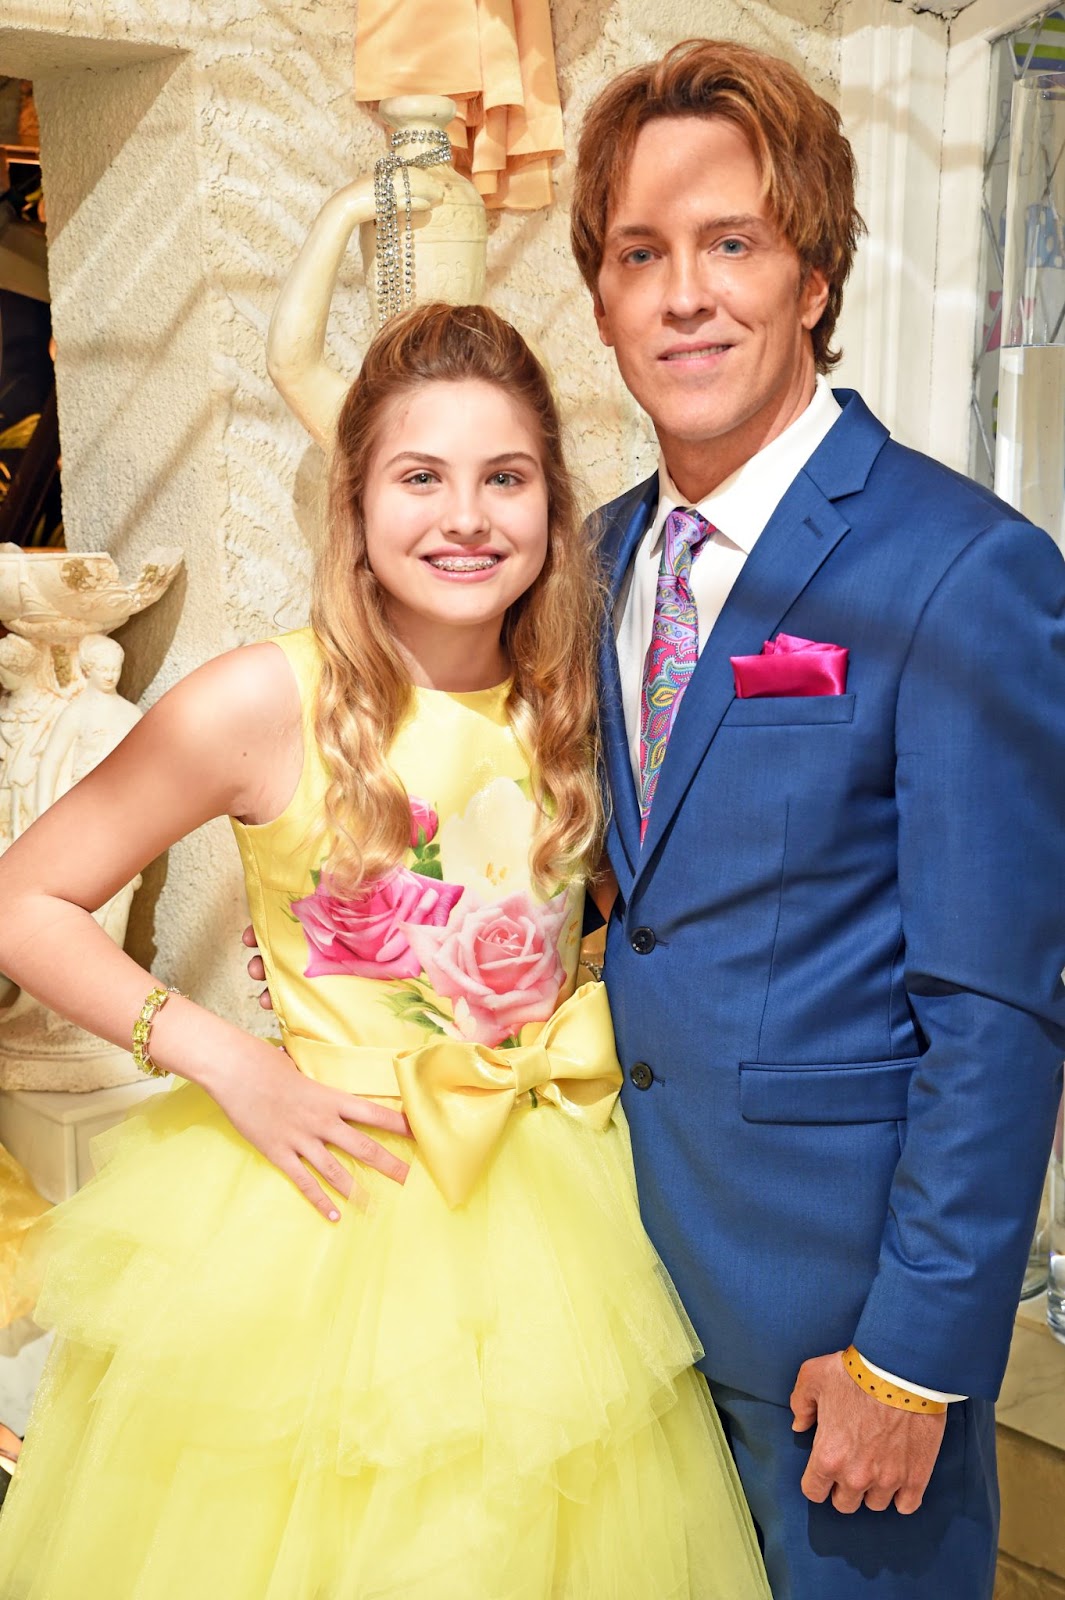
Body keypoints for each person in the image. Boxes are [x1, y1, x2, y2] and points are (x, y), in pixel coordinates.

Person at [0, 303, 770, 1598]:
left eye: (504, 478)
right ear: (353, 501)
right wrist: (228, 1065)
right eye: (420, 476)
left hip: (559, 1218)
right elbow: (26, 899)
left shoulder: (584, 698)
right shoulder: (262, 701)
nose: (464, 516)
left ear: (549, 504)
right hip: (327, 1212)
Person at [563, 35, 1065, 1600]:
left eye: (731, 244)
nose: (683, 295)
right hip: (605, 1300)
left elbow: (995, 1006)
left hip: (832, 1344)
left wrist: (914, 1356)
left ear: (814, 278)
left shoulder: (962, 567)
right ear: (599, 295)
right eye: (640, 254)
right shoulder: (587, 558)